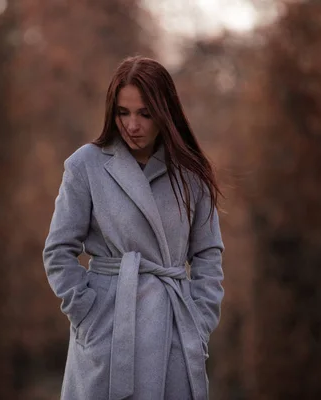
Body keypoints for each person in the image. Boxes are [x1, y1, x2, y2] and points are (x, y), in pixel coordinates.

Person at [43, 55, 224, 400]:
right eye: (123, 113)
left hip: (173, 324)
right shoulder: (86, 166)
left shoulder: (191, 174)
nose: (132, 125)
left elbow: (208, 254)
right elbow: (58, 250)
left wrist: (199, 323)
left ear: (164, 113)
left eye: (145, 113)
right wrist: (88, 315)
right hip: (109, 325)